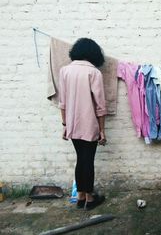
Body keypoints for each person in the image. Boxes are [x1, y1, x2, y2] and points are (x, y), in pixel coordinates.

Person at [58, 38, 107, 210]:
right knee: (88, 160)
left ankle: (80, 197)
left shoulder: (64, 71)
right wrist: (102, 130)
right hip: (90, 124)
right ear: (94, 53)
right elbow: (100, 106)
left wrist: (65, 125)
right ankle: (90, 199)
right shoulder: (94, 73)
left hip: (72, 123)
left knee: (81, 159)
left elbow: (62, 102)